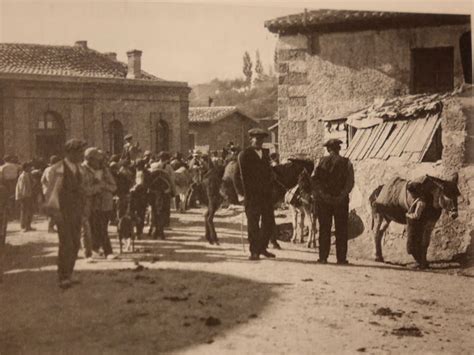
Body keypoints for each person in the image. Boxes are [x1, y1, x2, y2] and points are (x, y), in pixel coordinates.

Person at [42, 139, 86, 289]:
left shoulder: (79, 168)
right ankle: (63, 276)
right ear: (70, 152)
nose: (82, 154)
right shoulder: (58, 169)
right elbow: (52, 192)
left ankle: (69, 273)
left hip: (76, 212)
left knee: (74, 243)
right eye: (79, 151)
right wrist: (55, 213)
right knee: (66, 243)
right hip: (63, 212)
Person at [237, 128, 276, 261]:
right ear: (251, 139)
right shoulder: (244, 154)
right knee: (253, 224)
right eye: (257, 139)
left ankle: (262, 248)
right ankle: (254, 251)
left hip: (265, 195)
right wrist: (241, 195)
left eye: (261, 139)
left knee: (269, 222)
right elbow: (239, 176)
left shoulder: (266, 154)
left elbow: (269, 174)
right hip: (251, 195)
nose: (259, 141)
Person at [313, 138, 354, 265]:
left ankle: (323, 257)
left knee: (324, 228)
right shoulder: (347, 162)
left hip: (324, 202)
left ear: (328, 149)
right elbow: (350, 182)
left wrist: (324, 195)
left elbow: (315, 181)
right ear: (339, 149)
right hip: (340, 201)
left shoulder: (320, 162)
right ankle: (341, 258)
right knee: (341, 229)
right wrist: (341, 195)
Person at [90, 150, 117, 260]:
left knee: (102, 228)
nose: (101, 162)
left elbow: (114, 187)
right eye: (99, 160)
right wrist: (95, 188)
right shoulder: (84, 170)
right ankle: (97, 249)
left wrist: (103, 185)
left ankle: (103, 250)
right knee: (94, 228)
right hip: (91, 204)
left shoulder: (105, 171)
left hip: (105, 205)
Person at [81, 148, 104, 262]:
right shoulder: (82, 171)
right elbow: (84, 190)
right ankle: (87, 253)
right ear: (90, 159)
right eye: (97, 160)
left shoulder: (93, 170)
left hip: (92, 204)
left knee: (94, 227)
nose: (99, 163)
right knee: (85, 228)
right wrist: (98, 187)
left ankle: (94, 248)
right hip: (82, 204)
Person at [41, 155, 61, 233]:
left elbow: (42, 180)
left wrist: (46, 188)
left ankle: (51, 226)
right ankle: (51, 226)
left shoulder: (46, 169)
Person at [15, 162, 35, 232]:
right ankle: (23, 226)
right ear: (26, 168)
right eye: (29, 167)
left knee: (29, 210)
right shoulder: (23, 176)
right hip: (25, 195)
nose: (30, 168)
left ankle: (28, 225)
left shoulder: (28, 175)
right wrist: (24, 196)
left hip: (29, 195)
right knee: (24, 211)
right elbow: (22, 187)